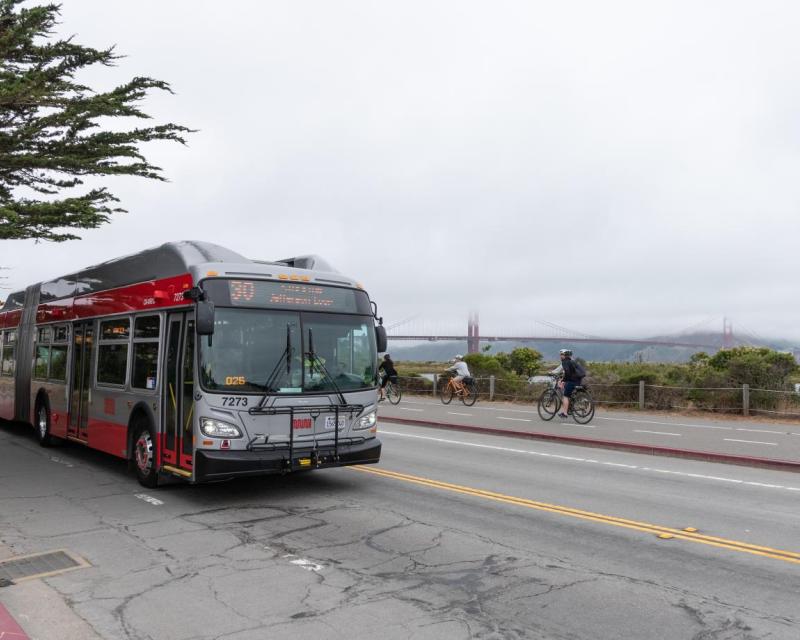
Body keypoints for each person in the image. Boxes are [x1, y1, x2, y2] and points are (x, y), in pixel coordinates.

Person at [556, 349, 583, 418]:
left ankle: (565, 413)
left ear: (565, 355)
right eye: (560, 354)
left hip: (572, 381)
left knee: (565, 396)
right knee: (567, 389)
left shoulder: (565, 362)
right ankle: (570, 406)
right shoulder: (572, 361)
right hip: (578, 381)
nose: (560, 356)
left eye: (561, 354)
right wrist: (564, 380)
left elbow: (567, 373)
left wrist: (562, 380)